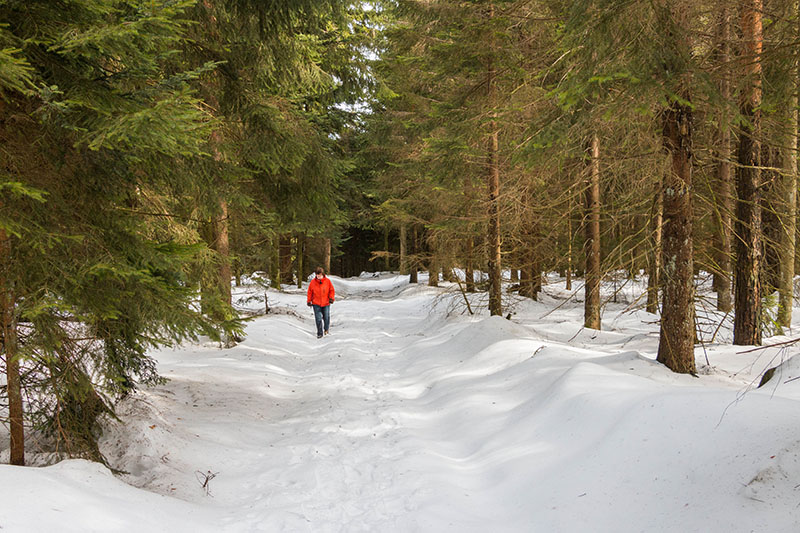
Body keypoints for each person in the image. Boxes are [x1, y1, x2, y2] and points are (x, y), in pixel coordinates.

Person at [307, 266, 335, 338]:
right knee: (318, 318)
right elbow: (309, 292)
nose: (319, 277)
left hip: (326, 303)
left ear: (323, 274)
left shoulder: (327, 281)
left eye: (320, 275)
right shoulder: (313, 282)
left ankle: (326, 329)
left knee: (326, 317)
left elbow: (331, 290)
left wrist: (331, 298)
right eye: (317, 275)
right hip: (316, 303)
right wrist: (309, 301)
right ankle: (319, 333)